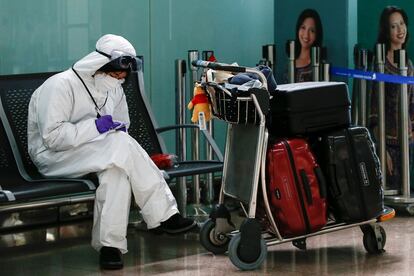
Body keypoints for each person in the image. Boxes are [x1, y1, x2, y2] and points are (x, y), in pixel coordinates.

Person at [27, 34, 196, 270]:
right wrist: (94, 127)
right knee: (120, 147)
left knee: (116, 170)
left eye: (123, 76)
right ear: (98, 66)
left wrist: (110, 129)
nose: (120, 79)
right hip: (54, 157)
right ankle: (164, 215)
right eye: (115, 74)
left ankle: (110, 247)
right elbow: (52, 138)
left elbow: (121, 126)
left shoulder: (113, 89)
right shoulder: (60, 85)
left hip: (99, 153)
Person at [369, 6, 414, 191]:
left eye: (402, 24)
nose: (400, 30)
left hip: (409, 144)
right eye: (394, 26)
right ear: (387, 32)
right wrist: (382, 148)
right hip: (388, 146)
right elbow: (372, 110)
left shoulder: (409, 64)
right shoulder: (379, 64)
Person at [288, 8, 324, 83]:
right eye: (303, 28)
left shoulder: (320, 66)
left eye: (312, 31)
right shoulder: (290, 61)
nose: (306, 35)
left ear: (317, 34)